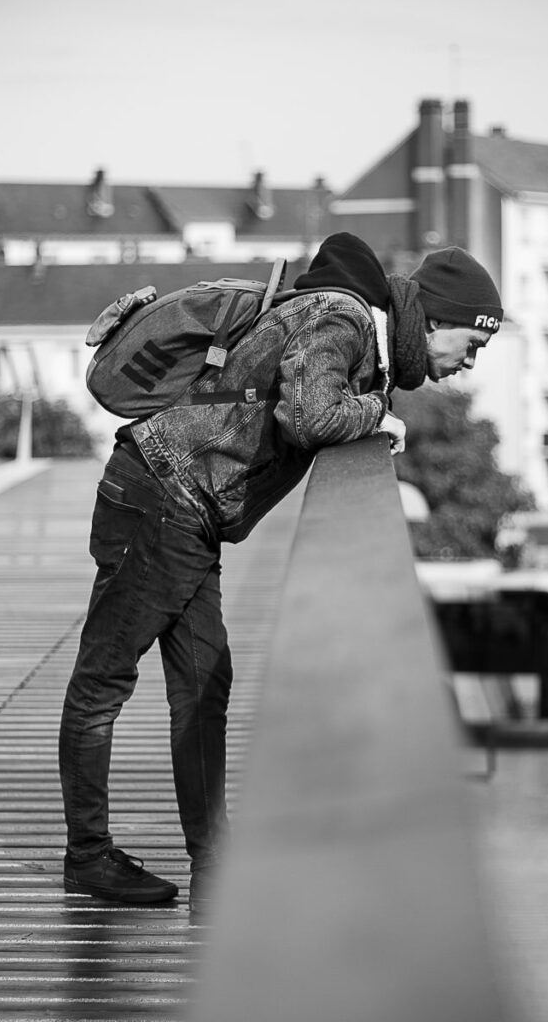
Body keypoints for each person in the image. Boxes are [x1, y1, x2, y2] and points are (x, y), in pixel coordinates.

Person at [59, 232, 503, 910]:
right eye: (470, 345)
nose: (466, 363)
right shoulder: (343, 319)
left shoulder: (351, 329)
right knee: (104, 678)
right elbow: (310, 414)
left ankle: (213, 867)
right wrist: (379, 413)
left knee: (205, 684)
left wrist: (373, 406)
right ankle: (88, 857)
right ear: (436, 321)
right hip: (159, 499)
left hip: (185, 508)